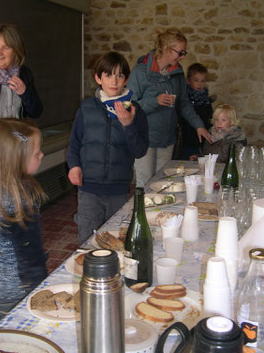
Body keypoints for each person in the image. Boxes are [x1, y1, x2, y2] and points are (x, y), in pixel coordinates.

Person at [67, 51, 149, 245]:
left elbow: (140, 151)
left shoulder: (135, 110)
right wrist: (74, 166)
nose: (114, 81)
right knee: (88, 242)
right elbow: (74, 144)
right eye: (108, 75)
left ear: (126, 79)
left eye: (120, 75)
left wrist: (128, 125)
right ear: (98, 78)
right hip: (89, 190)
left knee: (116, 243)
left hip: (118, 190)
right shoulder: (86, 108)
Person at [0, 118, 47, 323]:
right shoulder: (19, 198)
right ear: (16, 160)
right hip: (20, 290)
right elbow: (30, 253)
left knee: (5, 325)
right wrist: (41, 288)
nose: (42, 155)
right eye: (37, 153)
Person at [127, 27, 211, 186]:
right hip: (145, 138)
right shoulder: (141, 71)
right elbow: (128, 106)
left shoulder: (177, 72)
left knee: (164, 184)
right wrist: (155, 101)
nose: (182, 57)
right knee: (145, 185)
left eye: (184, 53)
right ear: (165, 48)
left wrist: (198, 125)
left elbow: (184, 102)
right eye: (180, 52)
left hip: (167, 138)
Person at [0, 23, 42, 122]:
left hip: (15, 135)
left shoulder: (25, 73)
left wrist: (25, 93)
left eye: (6, 47)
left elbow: (36, 112)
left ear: (16, 50)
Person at [179, 63, 213, 159]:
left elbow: (209, 118)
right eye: (196, 80)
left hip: (203, 141)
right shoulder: (185, 99)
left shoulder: (206, 100)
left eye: (202, 81)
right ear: (188, 81)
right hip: (188, 141)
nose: (199, 84)